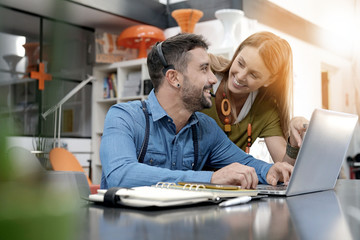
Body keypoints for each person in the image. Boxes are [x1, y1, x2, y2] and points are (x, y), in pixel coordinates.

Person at [100, 33, 293, 189]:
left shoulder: (206, 128)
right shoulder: (124, 117)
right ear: (174, 77)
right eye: (204, 69)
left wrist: (271, 171)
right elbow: (120, 175)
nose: (213, 79)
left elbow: (249, 164)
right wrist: (211, 178)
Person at [202, 31, 308, 165]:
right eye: (240, 63)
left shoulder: (265, 109)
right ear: (236, 54)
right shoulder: (205, 69)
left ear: (269, 80)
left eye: (253, 75)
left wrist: (294, 139)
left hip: (228, 184)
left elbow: (284, 166)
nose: (240, 76)